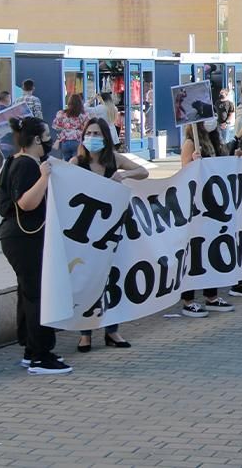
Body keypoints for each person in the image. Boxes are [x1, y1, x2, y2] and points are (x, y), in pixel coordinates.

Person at [0, 117, 69, 374]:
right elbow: (26, 203)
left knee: (29, 292)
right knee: (38, 294)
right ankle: (41, 355)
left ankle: (31, 349)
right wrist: (44, 178)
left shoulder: (13, 161)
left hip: (17, 237)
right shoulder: (28, 165)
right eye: (47, 135)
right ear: (37, 139)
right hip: (25, 237)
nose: (50, 139)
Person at [72, 118, 147, 352]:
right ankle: (85, 333)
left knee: (112, 279)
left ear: (105, 137)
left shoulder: (114, 160)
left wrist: (124, 175)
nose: (92, 137)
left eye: (97, 133)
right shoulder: (77, 162)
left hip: (113, 229)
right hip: (87, 232)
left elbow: (143, 171)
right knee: (89, 280)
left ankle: (112, 330)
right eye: (89, 133)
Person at [177, 120, 242, 314]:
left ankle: (211, 295)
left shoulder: (216, 142)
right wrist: (192, 163)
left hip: (215, 205)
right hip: (198, 206)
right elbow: (184, 171)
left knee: (212, 249)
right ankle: (188, 300)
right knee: (196, 251)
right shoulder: (190, 142)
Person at [52, 94, 88, 161]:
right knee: (76, 162)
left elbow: (55, 126)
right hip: (77, 141)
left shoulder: (62, 113)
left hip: (65, 142)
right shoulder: (84, 114)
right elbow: (87, 128)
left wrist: (64, 129)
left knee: (66, 163)